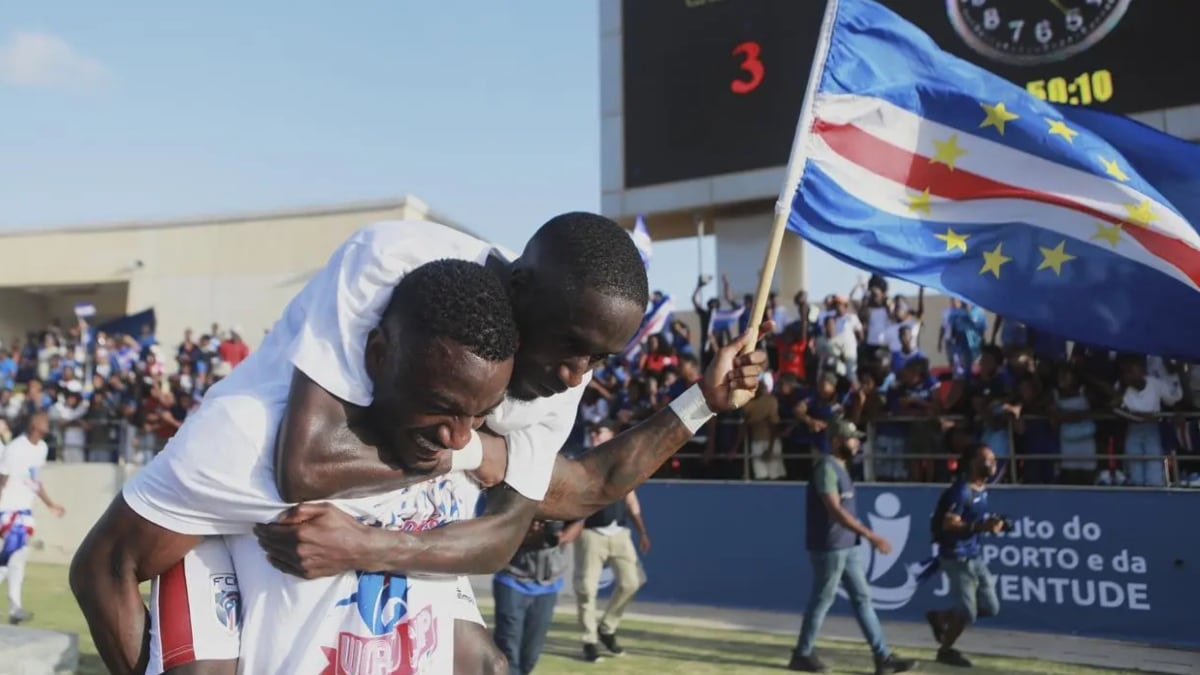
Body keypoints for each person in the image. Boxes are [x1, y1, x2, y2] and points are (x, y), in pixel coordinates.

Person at [71, 215, 768, 675]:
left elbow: (560, 496)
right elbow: (302, 464)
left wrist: (702, 400)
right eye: (570, 348)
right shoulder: (255, 427)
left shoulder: (513, 408)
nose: (574, 377)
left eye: (597, 360)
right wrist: (475, 454)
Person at [788, 420, 914, 675]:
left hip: (848, 547)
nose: (856, 443)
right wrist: (870, 535)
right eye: (851, 439)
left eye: (856, 439)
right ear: (836, 441)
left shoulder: (841, 468)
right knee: (823, 599)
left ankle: (883, 657)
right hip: (830, 548)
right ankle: (802, 654)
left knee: (862, 599)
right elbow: (834, 510)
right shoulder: (826, 468)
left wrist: (861, 537)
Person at [572, 421, 651, 663]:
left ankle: (607, 627)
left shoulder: (622, 462)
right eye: (594, 432)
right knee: (586, 588)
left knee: (633, 581)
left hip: (619, 532)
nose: (596, 436)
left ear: (612, 436)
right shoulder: (582, 460)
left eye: (600, 432)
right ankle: (589, 640)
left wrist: (642, 532)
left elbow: (631, 501)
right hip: (590, 533)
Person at [925, 443, 1005, 668]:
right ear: (973, 463)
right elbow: (950, 524)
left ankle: (940, 618)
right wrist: (980, 526)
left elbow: (976, 521)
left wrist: (996, 525)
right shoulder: (961, 491)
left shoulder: (982, 488)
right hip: (956, 556)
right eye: (987, 460)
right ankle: (946, 650)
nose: (993, 464)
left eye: (994, 460)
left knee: (990, 606)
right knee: (967, 611)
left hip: (974, 555)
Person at [492, 516, 582, 675]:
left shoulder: (563, 498)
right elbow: (494, 526)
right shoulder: (511, 492)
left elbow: (578, 522)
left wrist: (558, 538)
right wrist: (526, 534)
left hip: (547, 586)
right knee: (508, 645)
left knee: (531, 653)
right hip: (512, 578)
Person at [0, 412, 66, 625]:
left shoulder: (41, 449)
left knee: (17, 559)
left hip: (25, 511)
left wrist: (50, 504)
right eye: (44, 420)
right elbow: (2, 481)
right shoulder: (15, 449)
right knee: (10, 555)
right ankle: (15, 608)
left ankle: (15, 608)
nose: (48, 423)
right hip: (9, 511)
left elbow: (35, 481)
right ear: (34, 424)